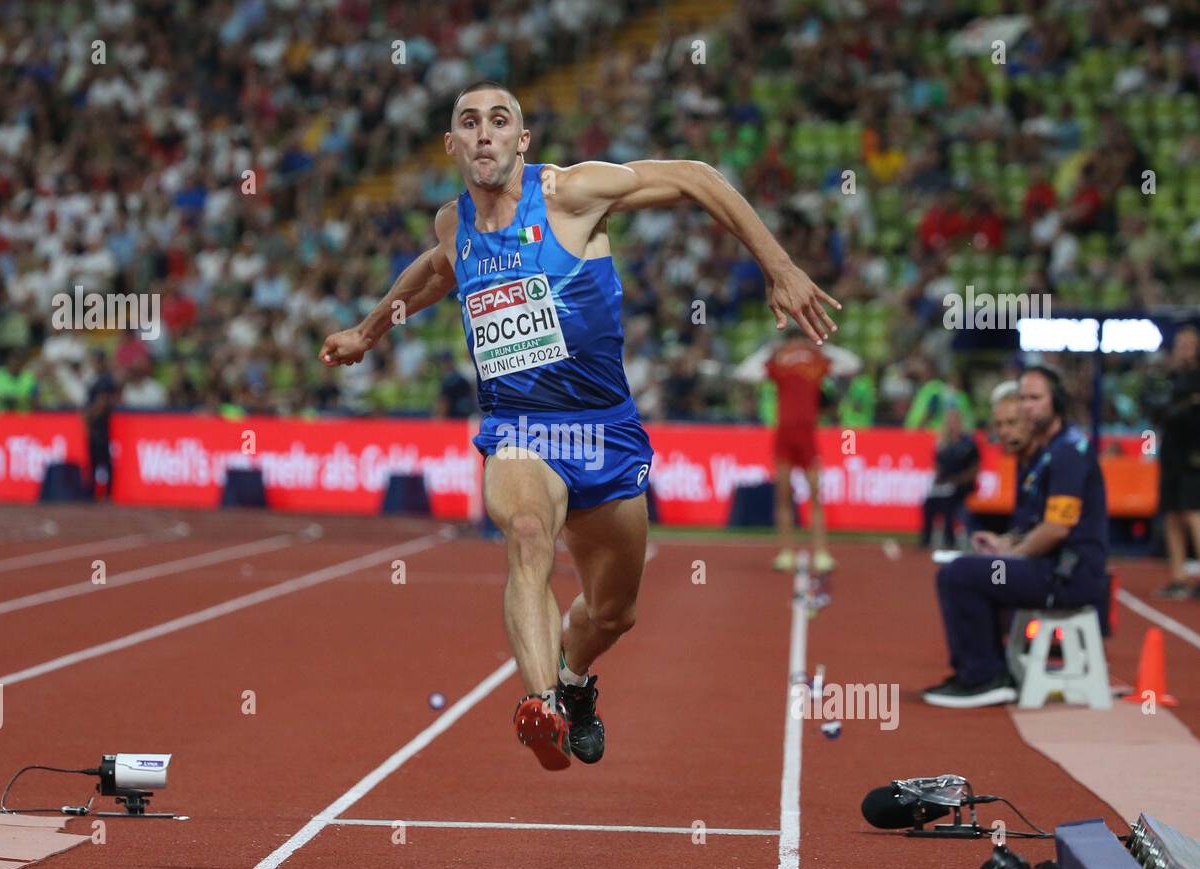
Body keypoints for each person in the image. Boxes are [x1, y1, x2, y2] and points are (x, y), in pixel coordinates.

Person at [320, 81, 840, 769]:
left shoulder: (570, 193)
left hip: (604, 432)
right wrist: (368, 329)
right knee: (528, 535)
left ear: (521, 140)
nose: (484, 133)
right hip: (518, 429)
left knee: (612, 612)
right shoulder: (455, 223)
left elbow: (694, 177)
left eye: (499, 121)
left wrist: (780, 267)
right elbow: (435, 271)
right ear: (451, 144)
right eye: (469, 123)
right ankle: (542, 705)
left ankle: (572, 677)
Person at [924, 366, 1108, 708]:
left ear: (1058, 402)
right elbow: (1036, 527)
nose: (1025, 407)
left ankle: (984, 678)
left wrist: (1010, 557)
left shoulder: (1068, 452)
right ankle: (985, 671)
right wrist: (1004, 544)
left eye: (1035, 398)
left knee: (961, 575)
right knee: (967, 568)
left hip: (1067, 576)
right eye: (1021, 398)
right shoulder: (1044, 454)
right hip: (1050, 567)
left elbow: (1056, 529)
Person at [734, 328, 859, 572]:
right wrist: (769, 352)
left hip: (806, 436)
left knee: (814, 494)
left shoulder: (815, 361)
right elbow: (744, 374)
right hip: (785, 435)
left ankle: (821, 552)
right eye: (793, 341)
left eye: (801, 340)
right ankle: (786, 552)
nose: (797, 347)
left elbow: (853, 364)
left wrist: (821, 348)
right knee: (783, 495)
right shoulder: (779, 362)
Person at [1147, 327, 1200, 599]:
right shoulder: (1169, 377)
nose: (1184, 348)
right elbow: (1156, 411)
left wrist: (1180, 409)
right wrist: (1181, 407)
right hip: (1171, 453)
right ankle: (1179, 577)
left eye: (1190, 344)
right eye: (1181, 344)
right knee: (1171, 514)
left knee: (1194, 513)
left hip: (1194, 454)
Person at [920, 402, 979, 549]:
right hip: (945, 484)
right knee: (928, 502)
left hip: (962, 486)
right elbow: (938, 467)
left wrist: (958, 481)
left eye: (955, 420)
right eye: (950, 421)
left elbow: (974, 469)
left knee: (948, 503)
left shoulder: (969, 443)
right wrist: (937, 482)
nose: (952, 424)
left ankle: (949, 539)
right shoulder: (942, 444)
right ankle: (926, 539)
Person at [83, 350, 118, 499]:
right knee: (94, 460)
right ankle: (95, 492)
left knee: (103, 459)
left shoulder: (105, 380)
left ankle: (106, 492)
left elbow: (102, 403)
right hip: (95, 426)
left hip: (101, 426)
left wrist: (89, 416)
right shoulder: (95, 379)